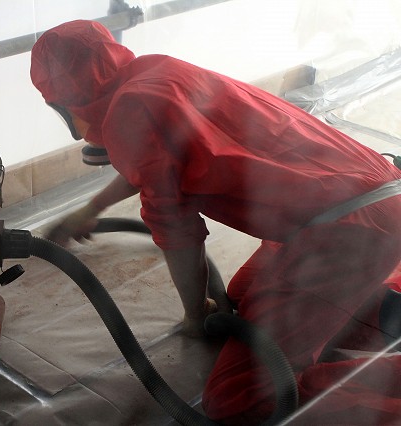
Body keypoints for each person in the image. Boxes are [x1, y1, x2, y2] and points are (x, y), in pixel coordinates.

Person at [30, 19, 401, 424]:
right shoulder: (154, 72)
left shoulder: (128, 114)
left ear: (68, 103)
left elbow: (178, 235)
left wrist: (194, 312)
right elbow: (156, 164)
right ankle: (383, 307)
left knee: (237, 399)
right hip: (366, 199)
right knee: (241, 300)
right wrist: (92, 208)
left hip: (346, 233)